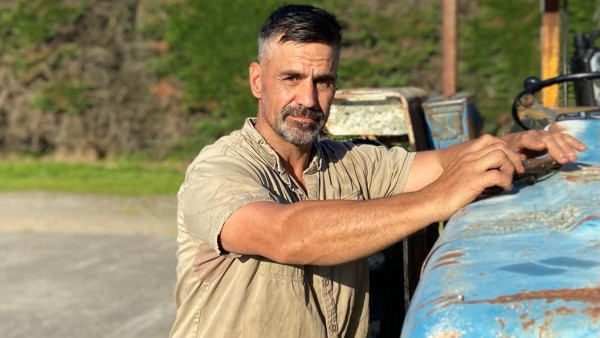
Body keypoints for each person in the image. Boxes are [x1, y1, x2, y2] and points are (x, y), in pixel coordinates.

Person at [170, 5, 586, 338]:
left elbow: (442, 162)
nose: (308, 98)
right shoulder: (219, 169)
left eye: (324, 81)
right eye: (291, 78)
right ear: (257, 80)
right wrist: (438, 199)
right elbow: (288, 235)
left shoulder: (351, 162)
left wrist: (507, 144)